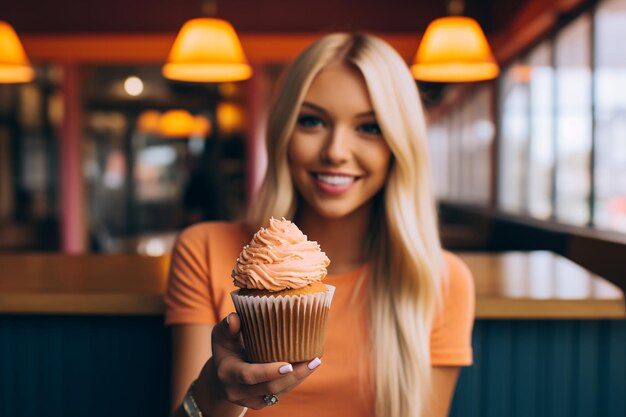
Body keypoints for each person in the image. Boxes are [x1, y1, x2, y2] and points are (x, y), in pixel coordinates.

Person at [165, 33, 475, 417]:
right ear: (282, 132)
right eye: (312, 121)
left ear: (400, 145)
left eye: (370, 127)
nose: (336, 151)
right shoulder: (205, 250)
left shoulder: (441, 281)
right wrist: (216, 389)